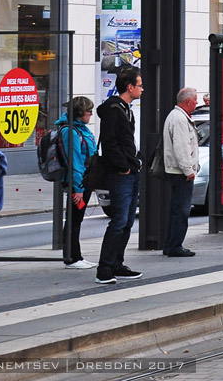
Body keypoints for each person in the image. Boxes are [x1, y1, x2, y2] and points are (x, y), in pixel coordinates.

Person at [96, 67, 143, 285]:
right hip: (120, 174)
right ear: (130, 87)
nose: (142, 89)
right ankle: (104, 268)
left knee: (126, 222)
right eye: (140, 85)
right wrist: (123, 166)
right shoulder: (114, 110)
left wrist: (135, 163)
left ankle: (117, 263)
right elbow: (110, 142)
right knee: (119, 220)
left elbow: (125, 142)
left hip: (130, 171)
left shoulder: (125, 108)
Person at [59, 96, 98, 269]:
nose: (91, 115)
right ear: (81, 113)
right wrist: (78, 187)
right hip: (78, 182)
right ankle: (71, 258)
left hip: (84, 180)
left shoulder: (80, 129)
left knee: (77, 218)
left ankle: (77, 255)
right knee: (74, 219)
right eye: (89, 112)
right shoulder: (71, 131)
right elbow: (74, 160)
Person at [162, 87, 199, 257]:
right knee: (182, 209)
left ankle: (171, 244)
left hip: (177, 171)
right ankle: (175, 246)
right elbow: (182, 147)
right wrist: (188, 170)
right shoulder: (179, 119)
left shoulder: (178, 116)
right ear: (187, 101)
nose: (197, 103)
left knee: (177, 208)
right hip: (180, 172)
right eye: (195, 100)